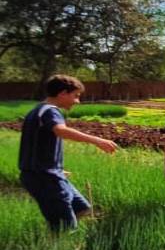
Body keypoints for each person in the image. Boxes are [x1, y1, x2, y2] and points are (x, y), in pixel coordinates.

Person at [19, 74, 119, 231]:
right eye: (76, 96)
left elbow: (33, 145)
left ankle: (60, 237)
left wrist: (53, 167)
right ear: (63, 93)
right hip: (44, 178)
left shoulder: (36, 111)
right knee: (66, 226)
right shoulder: (50, 111)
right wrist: (97, 141)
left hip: (46, 174)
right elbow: (60, 130)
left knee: (82, 209)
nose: (77, 101)